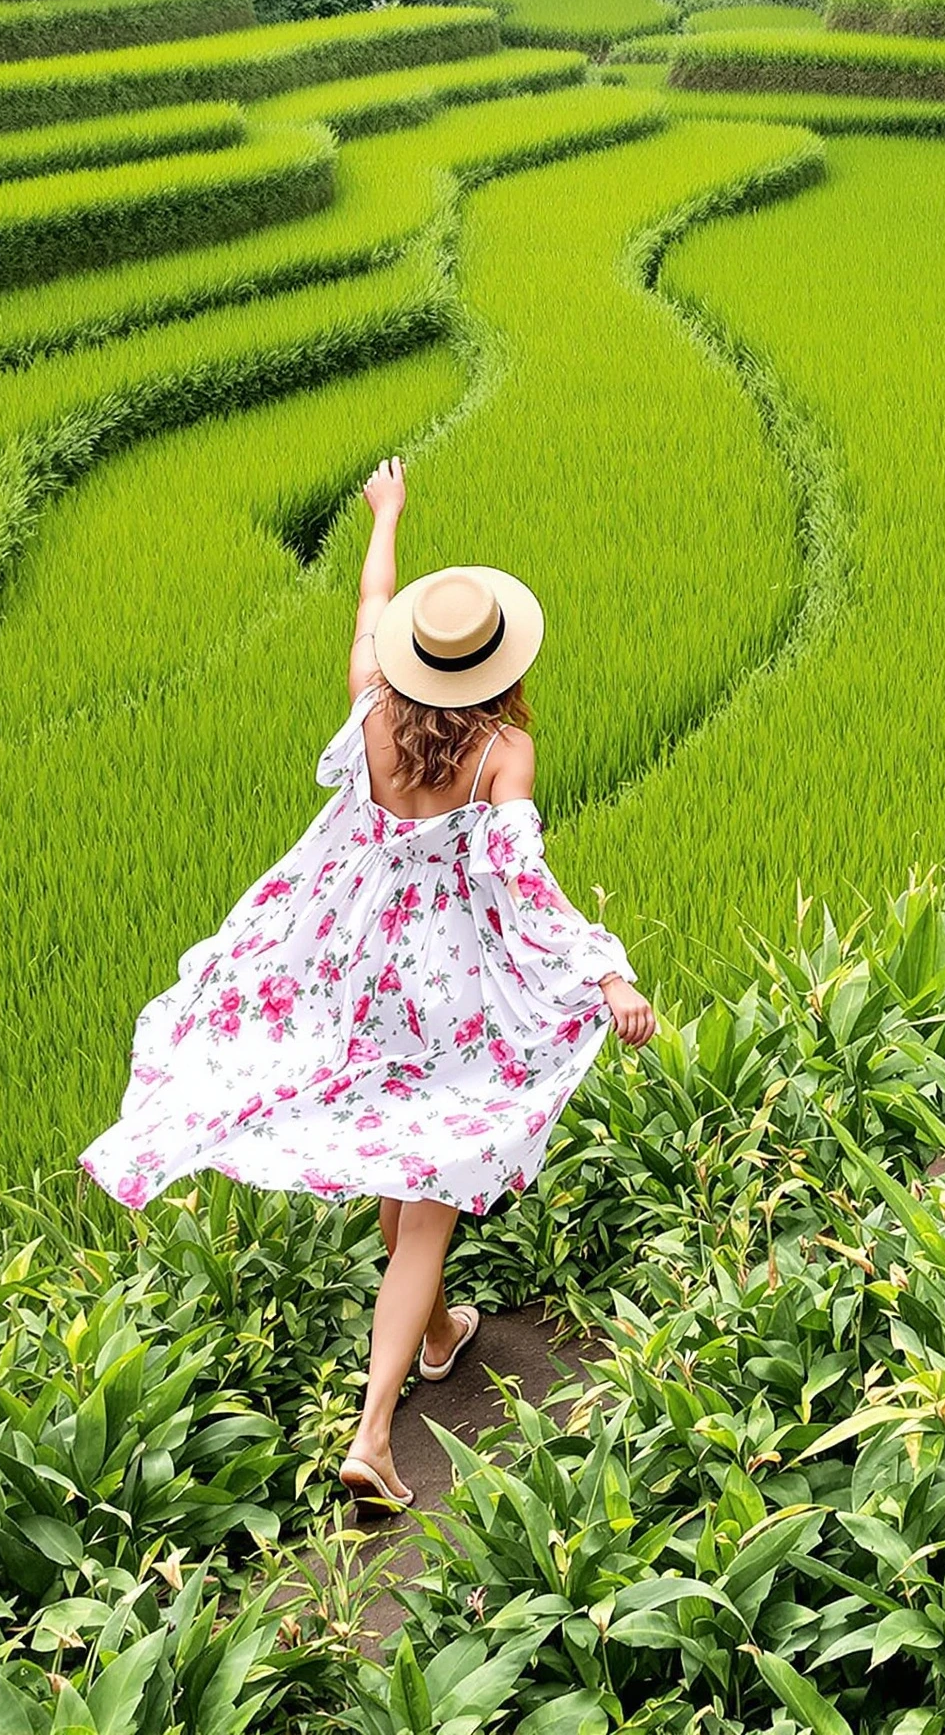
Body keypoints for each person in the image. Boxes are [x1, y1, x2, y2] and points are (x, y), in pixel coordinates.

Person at [81, 454, 656, 1510]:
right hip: (447, 992)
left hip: (354, 970)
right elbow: (522, 883)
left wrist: (385, 513)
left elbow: (370, 604)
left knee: (405, 1156)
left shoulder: (374, 707)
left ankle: (439, 1332)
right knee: (428, 1193)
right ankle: (375, 1437)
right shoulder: (502, 752)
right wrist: (607, 970)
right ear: (499, 664)